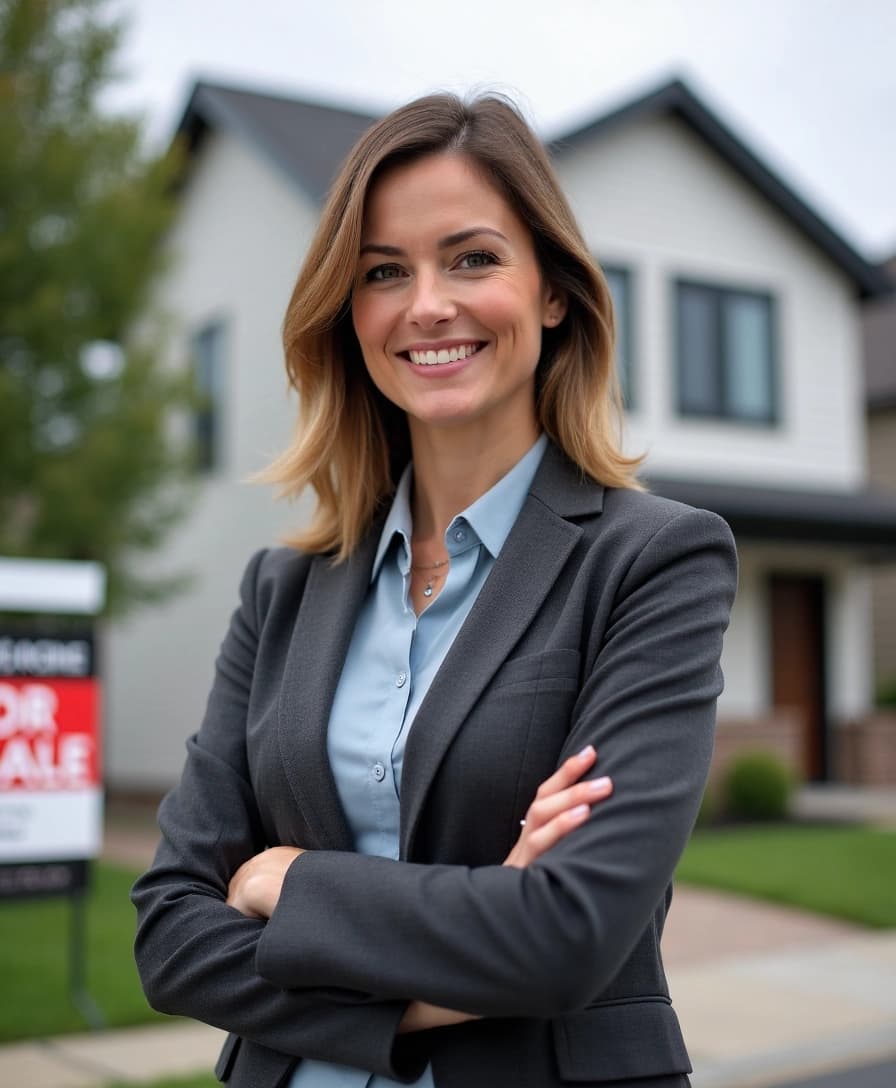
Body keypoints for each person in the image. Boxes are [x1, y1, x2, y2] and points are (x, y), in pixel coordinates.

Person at [132, 92, 737, 1088]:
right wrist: (469, 948)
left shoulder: (652, 561)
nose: (426, 304)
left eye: (471, 257)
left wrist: (290, 879)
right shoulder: (281, 588)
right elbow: (169, 935)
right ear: (350, 313)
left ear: (550, 290)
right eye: (382, 272)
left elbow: (570, 936)